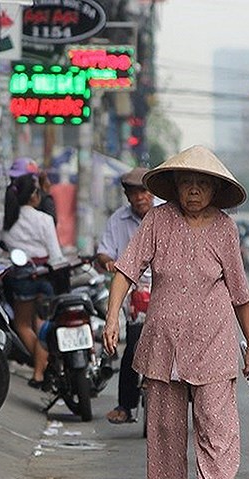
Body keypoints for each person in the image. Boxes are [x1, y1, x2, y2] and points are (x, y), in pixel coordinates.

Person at [102, 145, 249, 479]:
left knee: (215, 428)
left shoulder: (225, 228)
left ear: (214, 190)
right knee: (166, 430)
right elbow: (126, 270)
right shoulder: (157, 221)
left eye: (202, 184)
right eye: (187, 182)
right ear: (174, 187)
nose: (193, 190)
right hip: (164, 344)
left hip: (215, 343)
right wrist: (112, 317)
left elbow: (240, 293)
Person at [96, 166, 158, 424]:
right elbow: (105, 252)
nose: (140, 198)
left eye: (144, 191)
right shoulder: (118, 221)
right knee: (133, 342)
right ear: (128, 196)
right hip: (133, 289)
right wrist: (109, 262)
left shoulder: (166, 214)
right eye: (134, 193)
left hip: (167, 286)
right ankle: (126, 404)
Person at [0, 173, 64, 388]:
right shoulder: (45, 220)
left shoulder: (7, 220)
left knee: (22, 324)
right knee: (43, 325)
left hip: (21, 279)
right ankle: (42, 368)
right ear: (35, 196)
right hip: (45, 278)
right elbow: (56, 255)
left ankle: (40, 371)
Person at [9, 156, 57, 223]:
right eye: (12, 179)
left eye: (18, 181)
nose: (14, 184)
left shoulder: (44, 201)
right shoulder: (10, 198)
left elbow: (50, 227)